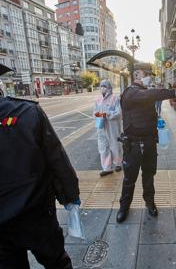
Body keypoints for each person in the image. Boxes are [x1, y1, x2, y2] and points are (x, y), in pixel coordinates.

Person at [0, 72, 80, 268]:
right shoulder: (27, 111)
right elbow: (56, 159)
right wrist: (70, 196)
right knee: (57, 262)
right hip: (36, 212)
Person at [116, 62, 176, 223]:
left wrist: (156, 120)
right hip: (132, 145)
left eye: (149, 75)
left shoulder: (143, 92)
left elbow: (145, 109)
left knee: (149, 175)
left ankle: (150, 202)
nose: (148, 78)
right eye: (145, 74)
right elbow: (151, 95)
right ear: (136, 74)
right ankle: (124, 207)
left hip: (149, 142)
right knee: (129, 178)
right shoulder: (130, 93)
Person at [94, 79, 122, 176]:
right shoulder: (98, 100)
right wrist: (99, 115)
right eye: (101, 86)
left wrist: (108, 114)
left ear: (109, 88)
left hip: (112, 126)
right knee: (103, 147)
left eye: (104, 86)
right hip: (101, 126)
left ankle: (118, 163)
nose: (102, 88)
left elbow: (118, 113)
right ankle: (107, 168)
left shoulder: (115, 98)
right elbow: (94, 112)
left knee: (115, 144)